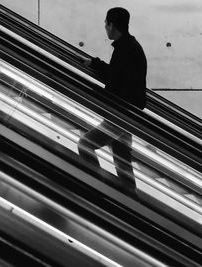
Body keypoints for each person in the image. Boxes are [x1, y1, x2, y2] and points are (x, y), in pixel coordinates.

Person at [78, 7, 147, 194]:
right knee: (123, 161)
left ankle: (99, 188)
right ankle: (130, 202)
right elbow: (117, 74)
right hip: (126, 115)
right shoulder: (129, 47)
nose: (105, 28)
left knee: (85, 144)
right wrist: (95, 63)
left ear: (112, 25)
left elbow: (117, 81)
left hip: (120, 116)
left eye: (106, 24)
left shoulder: (125, 49)